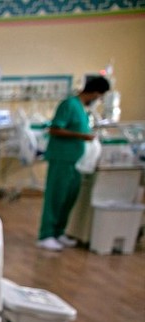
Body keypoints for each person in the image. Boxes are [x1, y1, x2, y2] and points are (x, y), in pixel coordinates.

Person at [36, 75, 111, 251]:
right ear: (95, 92)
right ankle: (46, 235)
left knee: (69, 198)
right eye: (100, 96)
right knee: (56, 197)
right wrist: (81, 136)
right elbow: (55, 129)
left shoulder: (82, 109)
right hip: (62, 158)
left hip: (77, 161)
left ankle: (59, 232)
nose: (98, 100)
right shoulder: (69, 105)